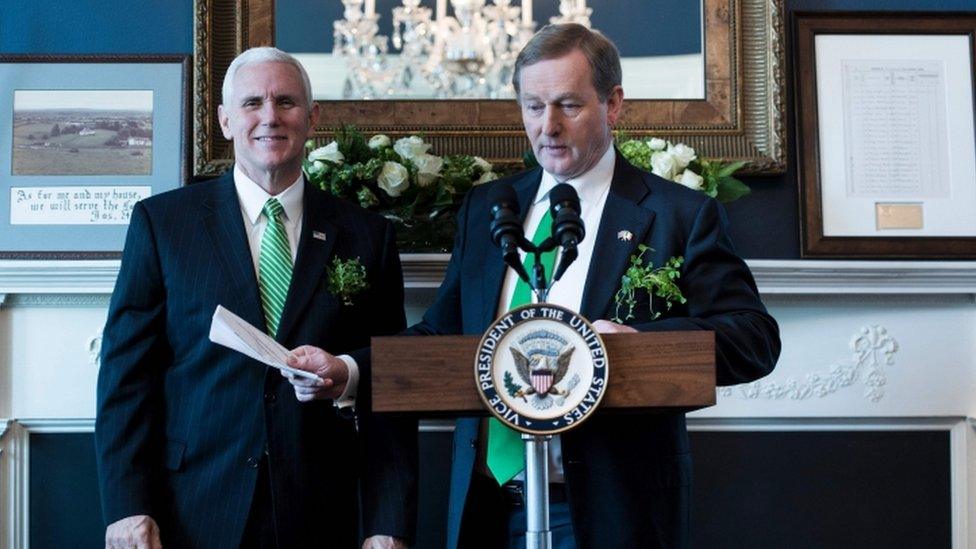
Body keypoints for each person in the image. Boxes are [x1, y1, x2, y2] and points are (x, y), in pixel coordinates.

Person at [411, 24, 780, 548]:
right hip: (486, 509)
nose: (549, 127)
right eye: (533, 107)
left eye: (569, 105)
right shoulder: (490, 208)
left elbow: (755, 339)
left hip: (609, 511)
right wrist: (348, 368)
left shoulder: (677, 214)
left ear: (613, 105)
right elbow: (443, 332)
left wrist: (641, 347)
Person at [95, 47, 416, 549]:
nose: (270, 116)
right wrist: (127, 507)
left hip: (322, 507)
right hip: (191, 505)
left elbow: (391, 387)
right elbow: (125, 379)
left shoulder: (367, 236)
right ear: (225, 120)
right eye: (252, 103)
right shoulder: (163, 224)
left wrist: (387, 523)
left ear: (312, 118)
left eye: (286, 101)